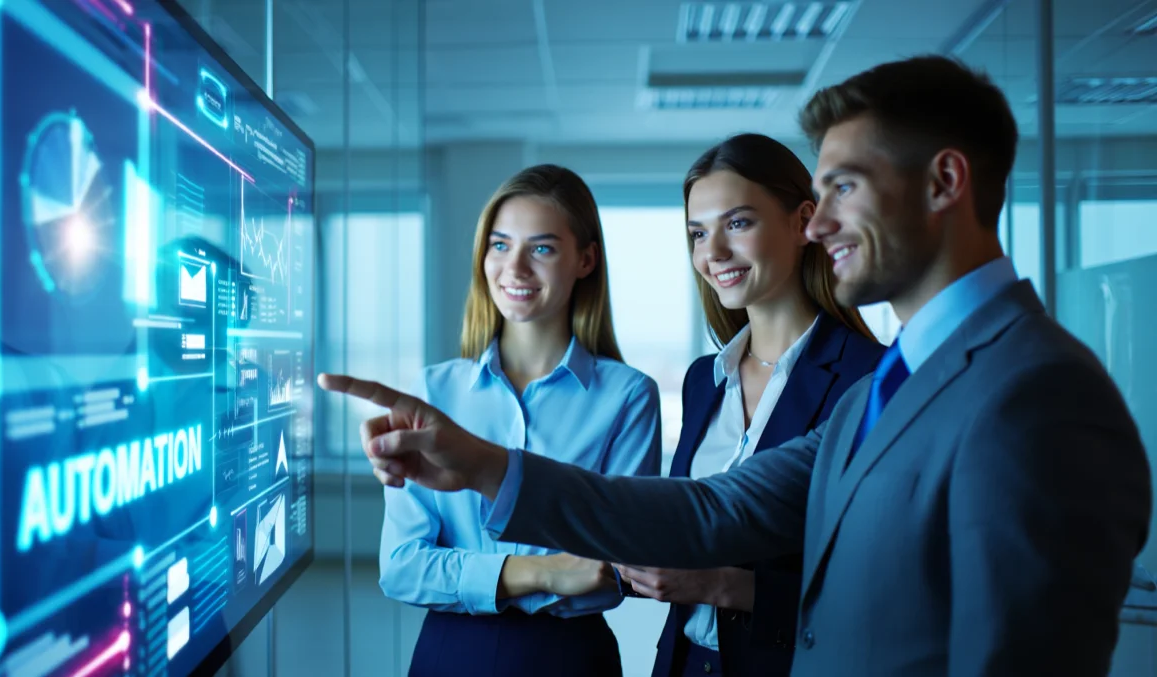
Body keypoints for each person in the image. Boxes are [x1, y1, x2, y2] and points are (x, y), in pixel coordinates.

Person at [320, 56, 1153, 677]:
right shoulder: (894, 382)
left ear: (944, 181)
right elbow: (715, 510)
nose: (818, 221)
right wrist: (481, 462)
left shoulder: (1038, 393)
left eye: (843, 188)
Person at [377, 164, 663, 677]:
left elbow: (618, 573)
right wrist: (542, 571)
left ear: (585, 259)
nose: (515, 268)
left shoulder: (628, 397)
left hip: (570, 658)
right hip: (450, 653)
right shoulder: (432, 392)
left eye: (543, 248)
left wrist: (476, 576)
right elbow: (401, 568)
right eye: (500, 244)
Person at [628, 134, 882, 677]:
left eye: (737, 224)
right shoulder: (703, 380)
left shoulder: (870, 380)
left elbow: (885, 585)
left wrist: (726, 586)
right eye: (698, 233)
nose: (713, 253)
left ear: (803, 221)